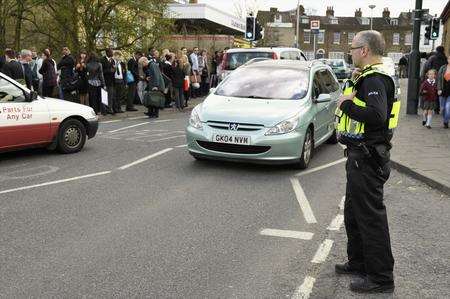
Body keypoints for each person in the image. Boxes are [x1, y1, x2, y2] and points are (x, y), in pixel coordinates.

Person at [335, 30, 398, 293]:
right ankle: (359, 262)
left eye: (352, 47)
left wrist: (345, 105)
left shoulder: (375, 79)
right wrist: (352, 85)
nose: (350, 51)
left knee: (371, 218)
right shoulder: (365, 77)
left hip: (368, 158)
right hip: (359, 156)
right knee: (353, 213)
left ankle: (381, 278)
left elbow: (375, 115)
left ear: (364, 50)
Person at [101, 48, 116, 114]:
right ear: (107, 53)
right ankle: (104, 110)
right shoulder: (102, 60)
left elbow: (113, 69)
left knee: (110, 95)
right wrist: (109, 70)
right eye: (111, 52)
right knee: (104, 96)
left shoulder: (112, 60)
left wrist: (114, 70)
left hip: (111, 81)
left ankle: (110, 109)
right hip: (104, 81)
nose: (112, 53)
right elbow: (101, 71)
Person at [437, 55, 450, 128]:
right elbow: (438, 79)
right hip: (442, 91)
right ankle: (445, 119)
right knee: (443, 109)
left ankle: (446, 121)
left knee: (448, 108)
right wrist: (439, 89)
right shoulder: (443, 68)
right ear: (447, 60)